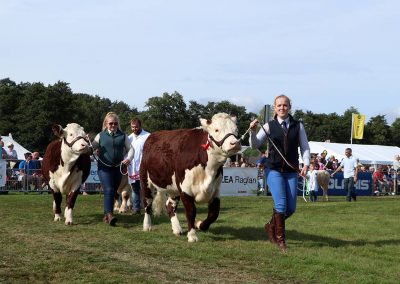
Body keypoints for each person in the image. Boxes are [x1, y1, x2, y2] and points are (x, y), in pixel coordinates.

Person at [249, 94, 310, 252]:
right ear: (274, 108)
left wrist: (306, 163)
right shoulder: (269, 126)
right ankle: (280, 240)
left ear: (290, 107)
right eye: (279, 105)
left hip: (291, 170)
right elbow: (255, 144)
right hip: (274, 169)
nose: (282, 108)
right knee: (281, 205)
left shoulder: (298, 126)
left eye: (285, 105)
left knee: (291, 209)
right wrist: (252, 132)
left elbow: (305, 147)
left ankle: (270, 225)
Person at [91, 112, 134, 226]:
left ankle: (106, 215)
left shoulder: (123, 135)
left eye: (115, 123)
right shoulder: (100, 135)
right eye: (111, 123)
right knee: (109, 189)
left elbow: (131, 149)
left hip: (118, 168)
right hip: (104, 168)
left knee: (113, 191)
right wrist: (87, 145)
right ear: (106, 124)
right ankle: (110, 215)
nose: (113, 126)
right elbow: (91, 148)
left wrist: (128, 158)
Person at [127, 118, 150, 215]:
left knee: (145, 188)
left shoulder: (148, 136)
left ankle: (148, 208)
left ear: (140, 126)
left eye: (136, 126)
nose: (134, 128)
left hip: (144, 167)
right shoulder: (129, 138)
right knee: (135, 189)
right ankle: (136, 209)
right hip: (132, 167)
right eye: (132, 127)